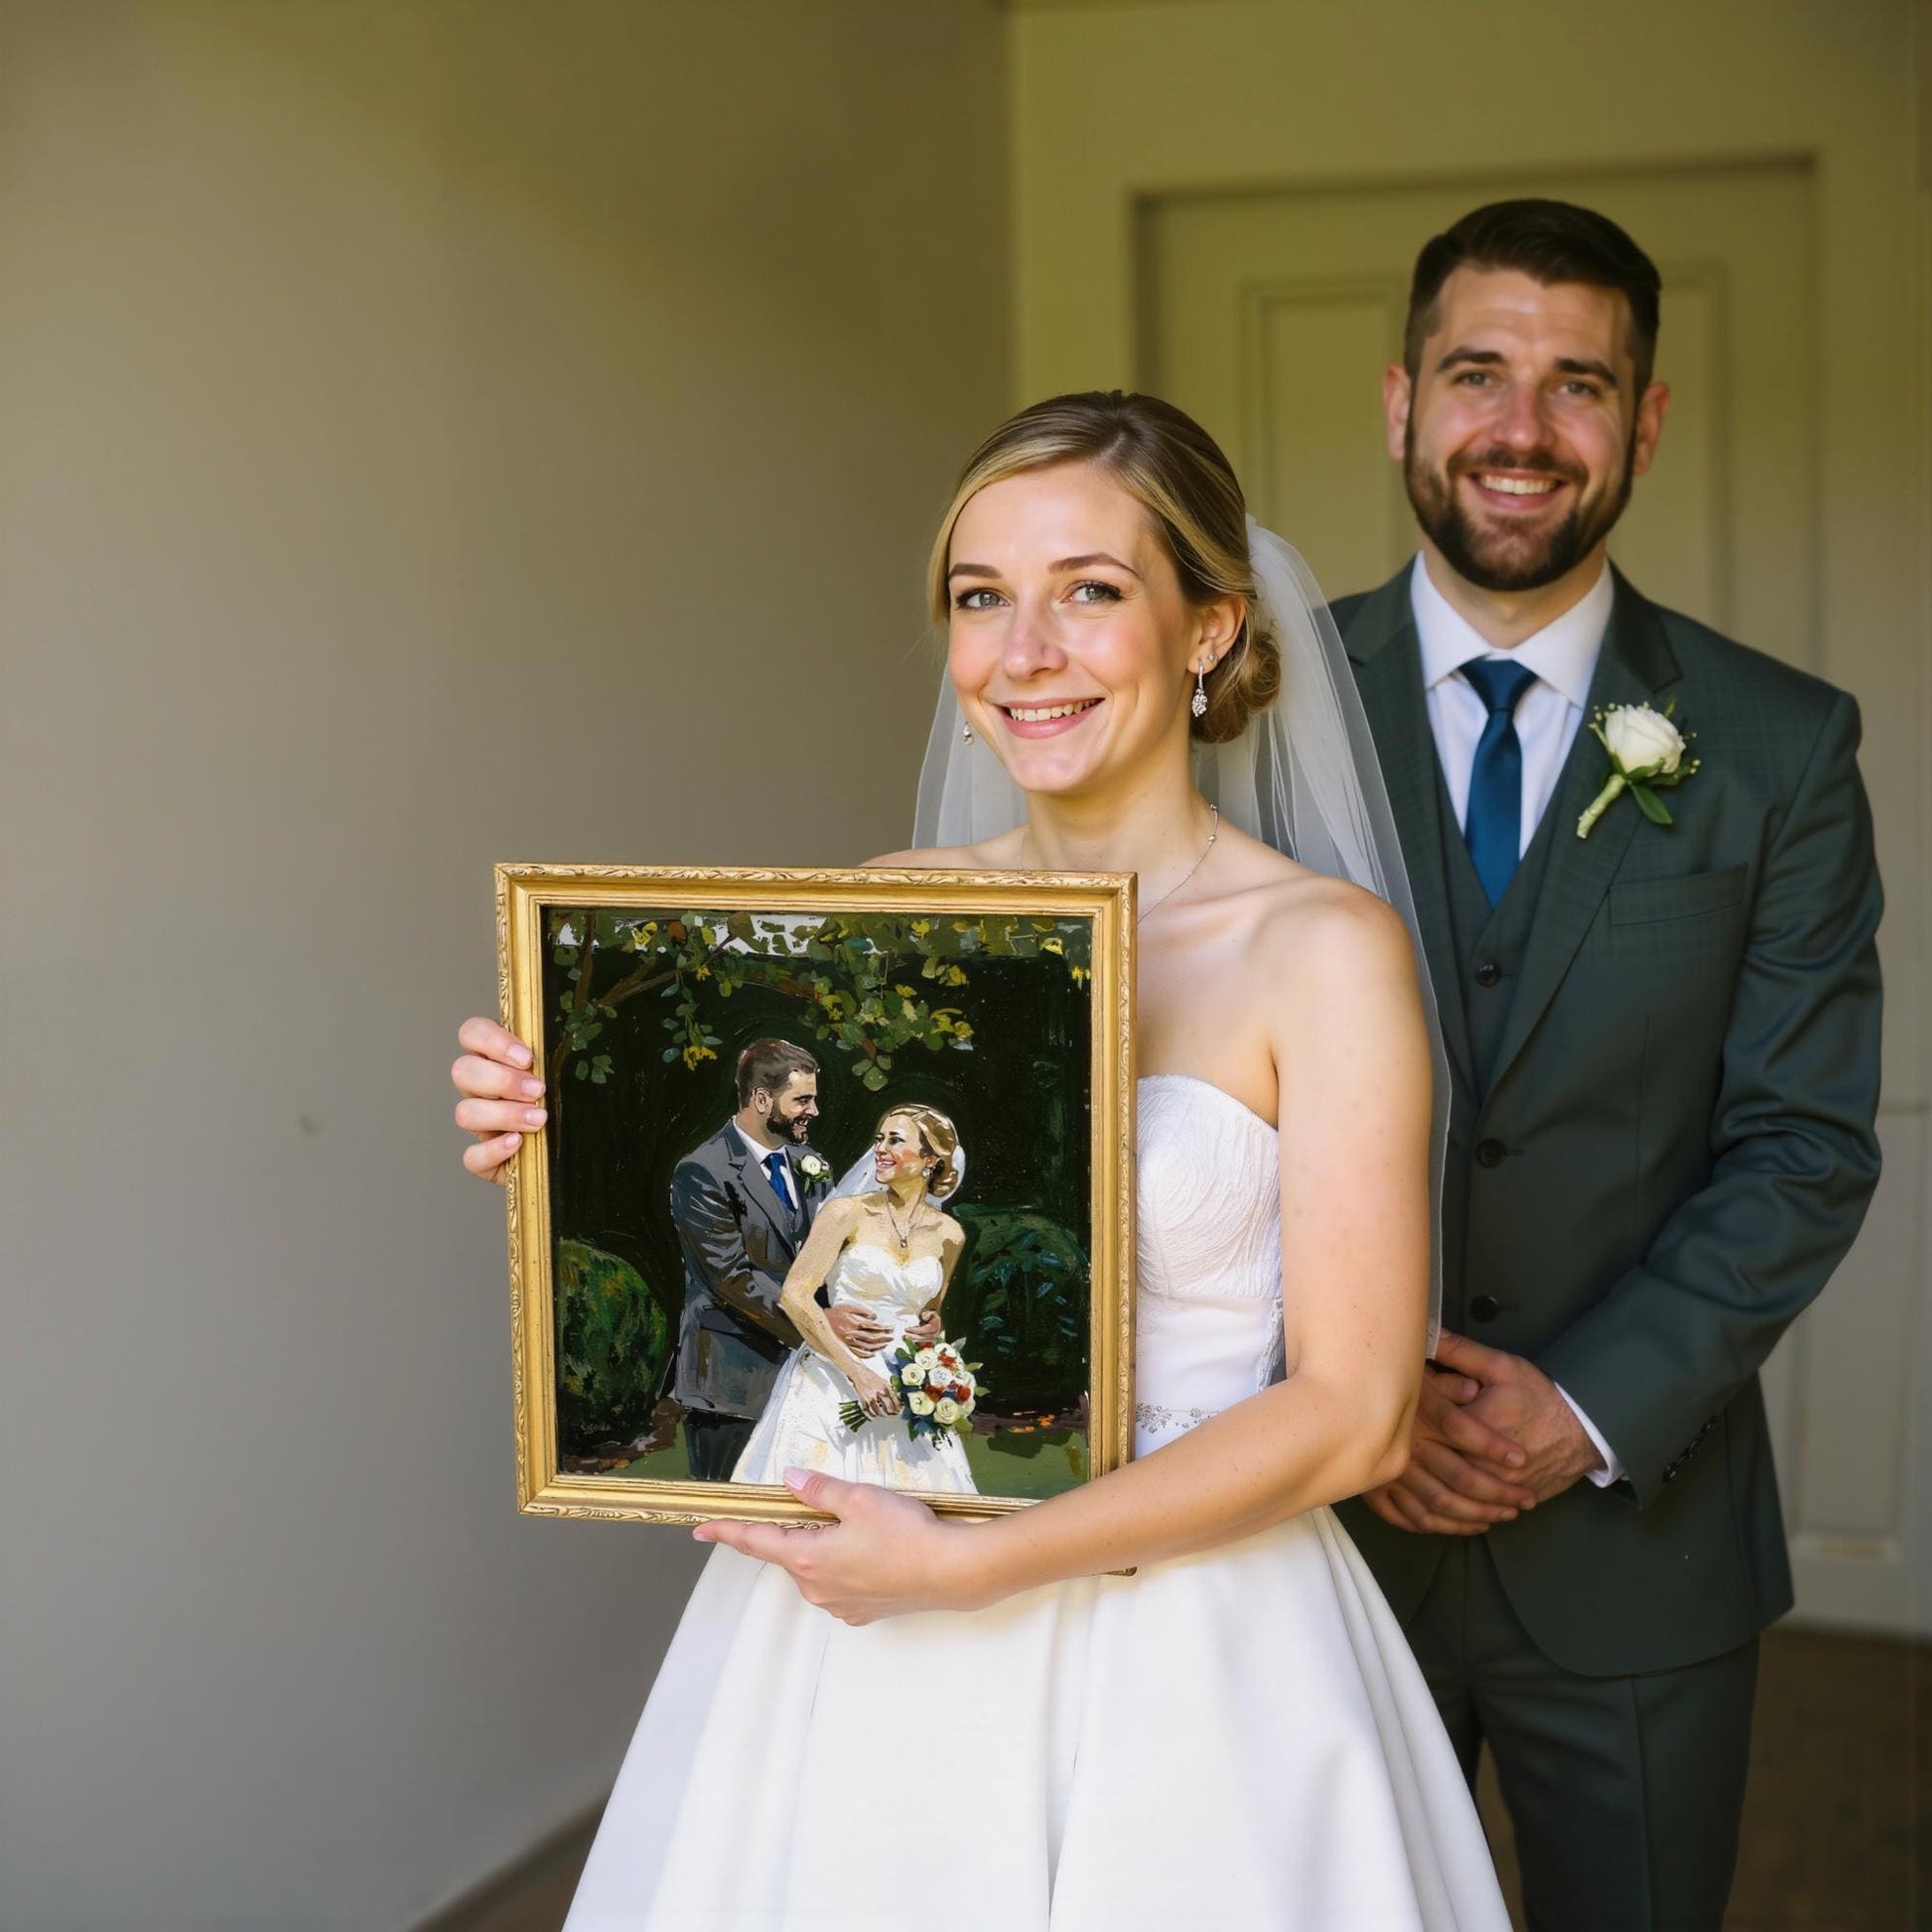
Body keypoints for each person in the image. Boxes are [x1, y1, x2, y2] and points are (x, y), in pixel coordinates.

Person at [454, 390, 1512, 1928]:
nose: (1025, 649)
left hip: (1197, 1645)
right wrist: (538, 1151)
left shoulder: (1319, 951)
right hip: (865, 1595)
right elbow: (795, 1213)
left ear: (1210, 627)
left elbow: (1354, 1415)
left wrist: (972, 1572)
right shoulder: (893, 906)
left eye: (1089, 589)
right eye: (979, 597)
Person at [1323, 199, 1884, 1931]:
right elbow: (1136, 1078)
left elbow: (1800, 1143)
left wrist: (1575, 1414)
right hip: (1308, 1532)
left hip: (1640, 1547)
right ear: (1400, 400)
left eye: (1579, 385)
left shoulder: (1778, 747)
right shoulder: (1246, 711)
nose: (1521, 428)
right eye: (1478, 372)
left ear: (1642, 423)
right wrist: (1362, 1396)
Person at [732, 1102, 976, 1494]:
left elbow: (929, 1309)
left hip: (905, 1386)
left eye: (895, 1140)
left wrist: (934, 1326)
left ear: (931, 1158)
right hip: (833, 1377)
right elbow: (795, 1296)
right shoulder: (845, 1213)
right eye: (879, 1139)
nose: (880, 1149)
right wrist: (858, 1373)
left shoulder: (950, 1234)